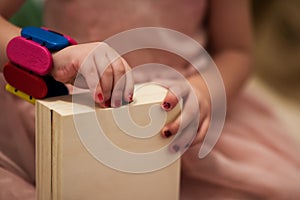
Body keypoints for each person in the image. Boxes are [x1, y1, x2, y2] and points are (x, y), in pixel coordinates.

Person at [0, 0, 300, 199]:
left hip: (181, 115)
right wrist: (52, 57)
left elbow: (237, 51)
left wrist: (204, 90)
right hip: (67, 104)